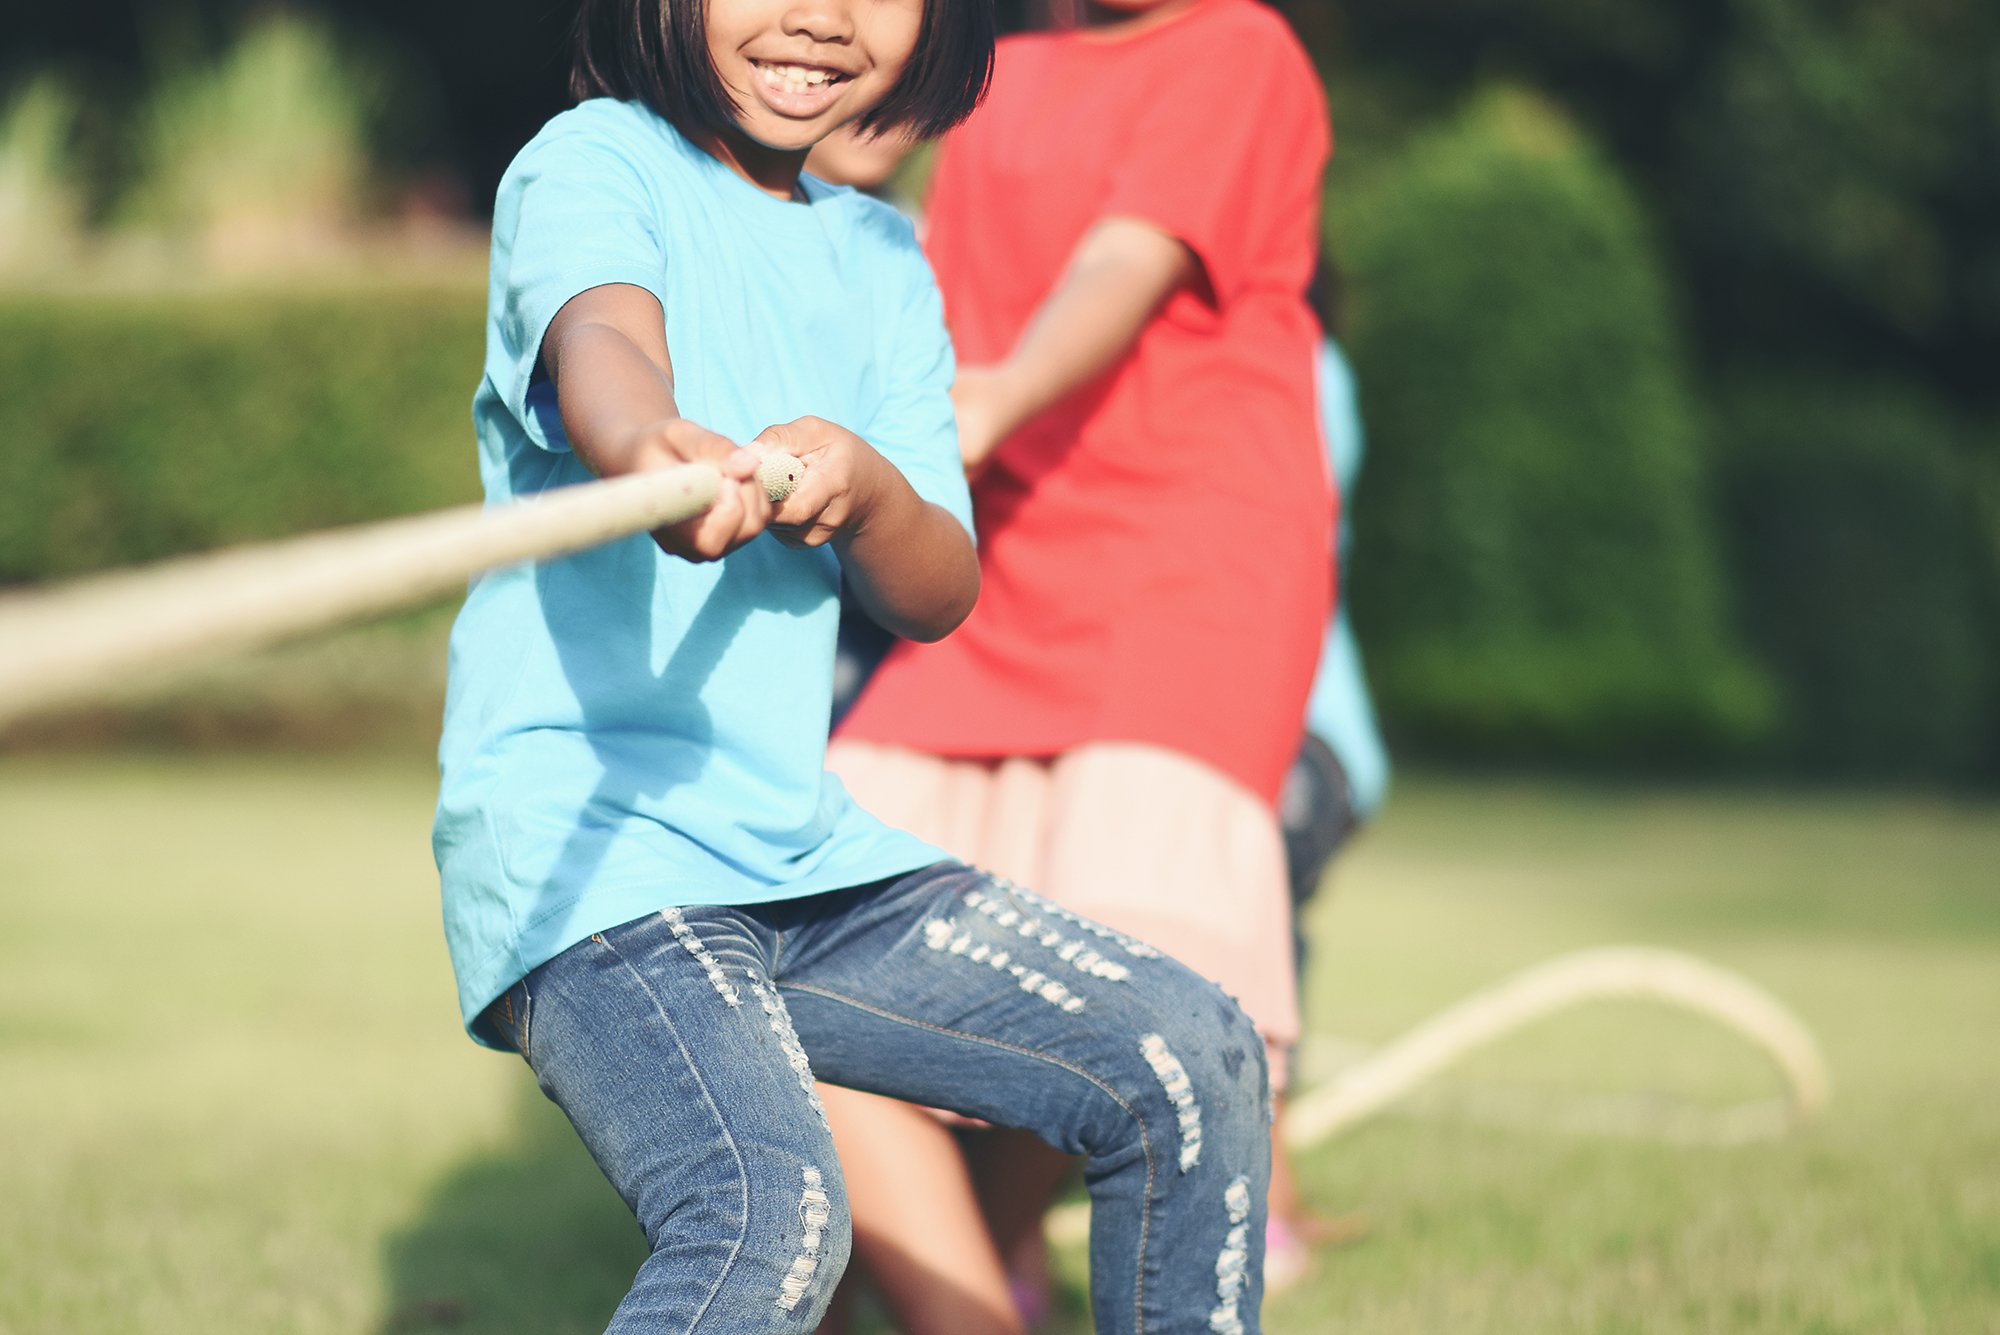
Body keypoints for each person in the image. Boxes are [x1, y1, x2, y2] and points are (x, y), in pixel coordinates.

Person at [429, 0, 1276, 1330]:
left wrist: (873, 492)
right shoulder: (594, 161)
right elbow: (601, 347)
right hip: (598, 859)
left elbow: (939, 585)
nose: (821, 15)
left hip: (797, 859)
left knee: (1191, 1055)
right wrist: (652, 449)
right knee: (771, 1212)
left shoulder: (882, 256)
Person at [813, 0, 1333, 1325]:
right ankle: (984, 1306)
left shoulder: (1235, 49)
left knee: (1127, 978)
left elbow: (1127, 255)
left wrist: (1001, 389)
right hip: (1000, 566)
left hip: (1189, 567)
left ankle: (991, 1283)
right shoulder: (992, 66)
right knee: (786, 955)